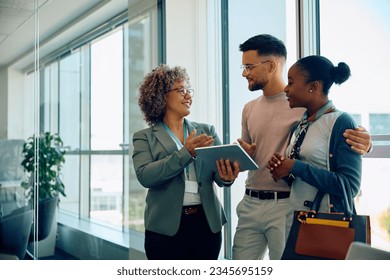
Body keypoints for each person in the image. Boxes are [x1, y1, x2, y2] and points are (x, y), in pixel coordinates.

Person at [232, 34, 371, 260]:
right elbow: (298, 166)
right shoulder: (299, 120)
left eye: (249, 66)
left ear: (271, 65)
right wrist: (278, 168)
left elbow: (347, 178)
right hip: (268, 206)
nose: (244, 72)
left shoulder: (319, 113)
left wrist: (367, 143)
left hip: (303, 212)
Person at [132, 64, 240, 260]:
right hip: (164, 228)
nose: (188, 95)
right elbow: (145, 176)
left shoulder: (207, 131)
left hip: (207, 224)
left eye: (189, 90)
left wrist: (228, 176)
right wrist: (185, 153)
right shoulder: (144, 137)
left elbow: (220, 176)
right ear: (161, 96)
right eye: (180, 90)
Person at [267, 55, 362, 240]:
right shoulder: (299, 126)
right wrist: (284, 171)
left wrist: (295, 166)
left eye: (291, 82)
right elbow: (301, 180)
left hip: (326, 224)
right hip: (296, 221)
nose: (286, 89)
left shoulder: (341, 122)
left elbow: (349, 187)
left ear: (314, 86)